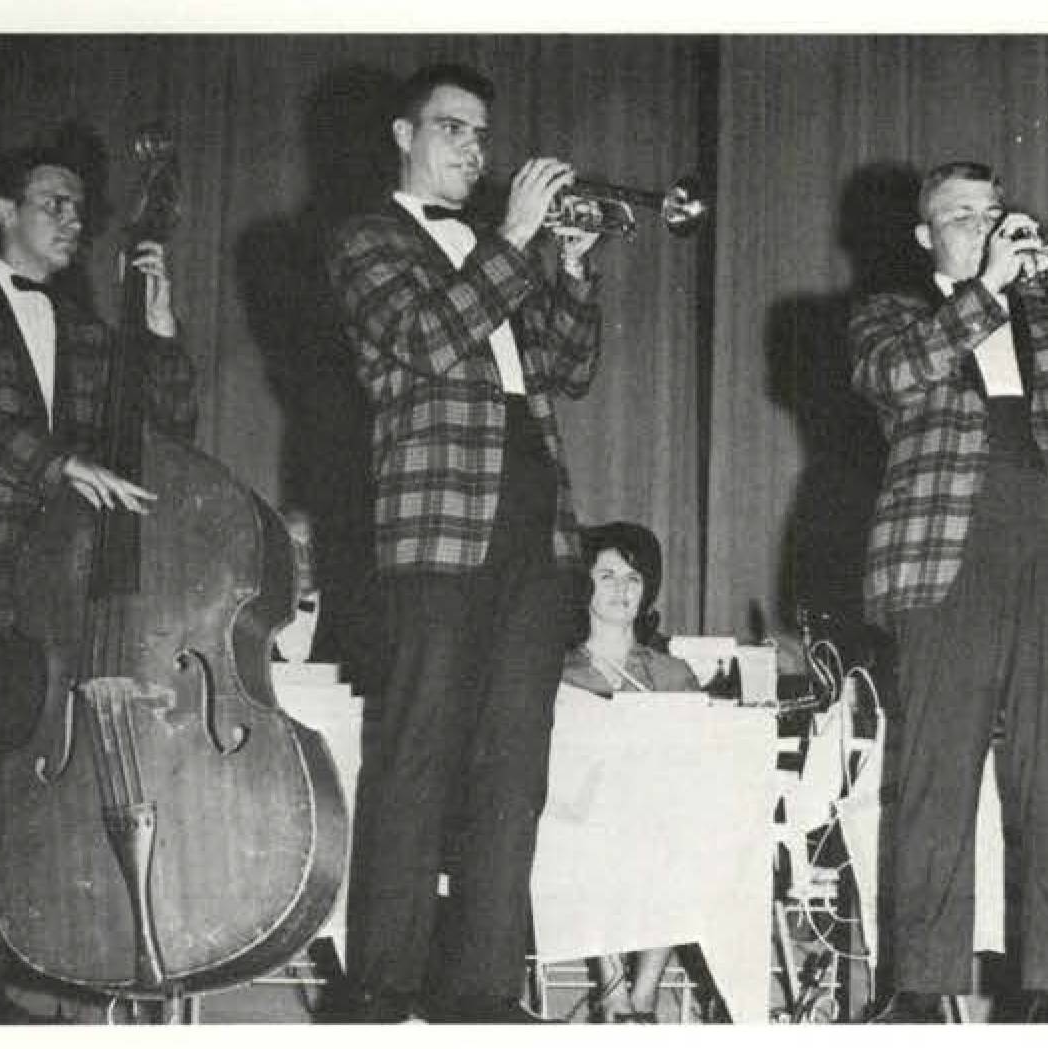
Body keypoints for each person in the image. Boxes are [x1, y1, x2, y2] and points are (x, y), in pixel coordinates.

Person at [324, 61, 606, 1023]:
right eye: (452, 129)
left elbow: (567, 365)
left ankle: (481, 986)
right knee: (414, 757)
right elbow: (430, 339)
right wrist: (519, 239)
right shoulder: (366, 240)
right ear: (404, 135)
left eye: (481, 135)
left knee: (512, 764)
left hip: (533, 516)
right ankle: (382, 981)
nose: (474, 150)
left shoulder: (502, 249)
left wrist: (565, 264)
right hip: (436, 524)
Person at [850, 160, 1048, 1022]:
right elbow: (894, 376)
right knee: (936, 771)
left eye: (994, 214)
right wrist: (983, 290)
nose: (985, 229)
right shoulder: (893, 313)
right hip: (945, 550)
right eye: (961, 217)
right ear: (925, 236)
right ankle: (919, 986)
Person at [0, 145, 193, 1023]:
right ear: (5, 209)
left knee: (23, 798)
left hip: (62, 606)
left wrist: (157, 331)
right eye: (54, 203)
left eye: (81, 209)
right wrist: (56, 462)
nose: (73, 221)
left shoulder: (85, 331)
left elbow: (163, 434)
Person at [559, 523, 703, 1022]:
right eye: (607, 575)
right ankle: (612, 989)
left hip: (657, 818)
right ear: (585, 586)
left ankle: (642, 996)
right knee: (588, 836)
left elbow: (694, 757)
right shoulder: (557, 671)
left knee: (678, 835)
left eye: (634, 579)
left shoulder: (673, 673)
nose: (622, 589)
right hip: (579, 818)